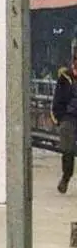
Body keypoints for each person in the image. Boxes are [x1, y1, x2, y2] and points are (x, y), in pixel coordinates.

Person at [54, 56, 77, 193]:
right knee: (67, 149)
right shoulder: (64, 78)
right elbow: (57, 99)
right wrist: (59, 118)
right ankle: (66, 177)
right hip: (69, 117)